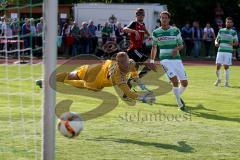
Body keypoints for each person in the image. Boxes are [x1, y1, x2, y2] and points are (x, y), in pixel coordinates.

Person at [36, 52, 156, 104]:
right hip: (93, 79)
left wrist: (138, 80)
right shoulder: (118, 77)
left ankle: (46, 81)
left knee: (71, 76)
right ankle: (46, 82)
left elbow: (133, 68)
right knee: (71, 79)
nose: (127, 65)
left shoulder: (129, 62)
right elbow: (128, 94)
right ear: (119, 64)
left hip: (97, 70)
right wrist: (143, 98)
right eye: (124, 64)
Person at [150, 11, 188, 111]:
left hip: (177, 60)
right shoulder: (156, 32)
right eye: (162, 18)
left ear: (169, 19)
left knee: (185, 83)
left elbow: (181, 44)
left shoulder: (175, 30)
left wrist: (176, 49)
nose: (164, 19)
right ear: (160, 19)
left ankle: (177, 95)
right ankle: (180, 104)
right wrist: (152, 61)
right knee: (175, 81)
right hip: (165, 60)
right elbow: (154, 47)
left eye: (166, 18)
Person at [123, 8, 152, 89]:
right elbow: (124, 29)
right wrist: (134, 31)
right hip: (134, 49)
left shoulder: (143, 24)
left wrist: (149, 36)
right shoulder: (134, 23)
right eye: (139, 14)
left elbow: (145, 31)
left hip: (139, 49)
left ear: (144, 16)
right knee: (149, 64)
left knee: (134, 72)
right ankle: (136, 80)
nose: (140, 16)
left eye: (142, 14)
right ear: (136, 15)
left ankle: (127, 92)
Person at [214, 17, 238, 87]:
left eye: (230, 22)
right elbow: (216, 39)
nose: (229, 23)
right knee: (217, 66)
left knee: (226, 66)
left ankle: (226, 83)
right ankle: (218, 79)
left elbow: (236, 43)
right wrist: (215, 43)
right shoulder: (221, 30)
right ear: (225, 23)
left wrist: (233, 44)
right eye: (227, 22)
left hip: (228, 51)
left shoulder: (233, 32)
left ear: (232, 23)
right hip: (220, 50)